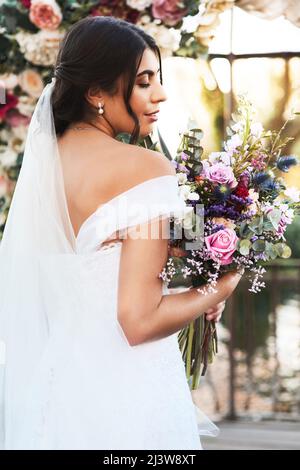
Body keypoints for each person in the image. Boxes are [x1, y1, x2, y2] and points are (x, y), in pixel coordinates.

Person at [0, 16, 242, 450]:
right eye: (144, 81)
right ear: (95, 92)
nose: (160, 94)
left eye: (158, 79)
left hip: (57, 393)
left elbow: (107, 254)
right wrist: (221, 286)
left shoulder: (46, 167)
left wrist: (193, 248)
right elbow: (138, 320)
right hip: (125, 393)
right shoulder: (144, 167)